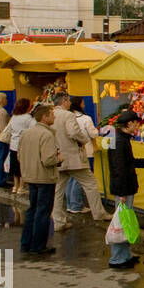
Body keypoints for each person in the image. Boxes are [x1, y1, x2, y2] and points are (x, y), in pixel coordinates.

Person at [106, 109, 144, 268]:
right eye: (136, 123)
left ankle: (125, 255)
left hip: (125, 187)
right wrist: (122, 192)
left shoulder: (120, 138)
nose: (137, 127)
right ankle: (117, 259)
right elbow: (119, 168)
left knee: (126, 221)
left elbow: (129, 162)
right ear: (129, 123)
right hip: (123, 188)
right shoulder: (119, 141)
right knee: (122, 222)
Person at [51, 92, 106, 228]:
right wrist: (84, 140)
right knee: (91, 183)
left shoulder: (50, 114)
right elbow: (74, 132)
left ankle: (58, 221)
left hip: (57, 157)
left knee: (58, 190)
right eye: (68, 100)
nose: (70, 103)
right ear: (64, 101)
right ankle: (99, 213)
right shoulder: (68, 115)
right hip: (73, 157)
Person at [17, 104, 59, 256]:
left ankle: (26, 243)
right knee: (43, 211)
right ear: (44, 117)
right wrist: (59, 158)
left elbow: (19, 155)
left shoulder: (26, 133)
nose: (54, 117)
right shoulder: (47, 135)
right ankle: (38, 246)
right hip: (44, 177)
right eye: (52, 115)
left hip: (29, 176)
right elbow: (48, 160)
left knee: (32, 210)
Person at [64, 96, 98, 213]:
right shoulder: (85, 118)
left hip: (70, 153)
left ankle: (70, 204)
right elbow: (93, 134)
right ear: (79, 104)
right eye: (83, 103)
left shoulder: (66, 117)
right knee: (81, 180)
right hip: (86, 151)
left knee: (71, 179)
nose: (84, 105)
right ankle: (77, 205)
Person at [6, 98, 35, 196]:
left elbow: (9, 129)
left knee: (14, 166)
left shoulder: (14, 117)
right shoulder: (28, 118)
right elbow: (33, 129)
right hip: (23, 145)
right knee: (23, 166)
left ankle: (15, 186)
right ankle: (21, 187)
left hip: (13, 144)